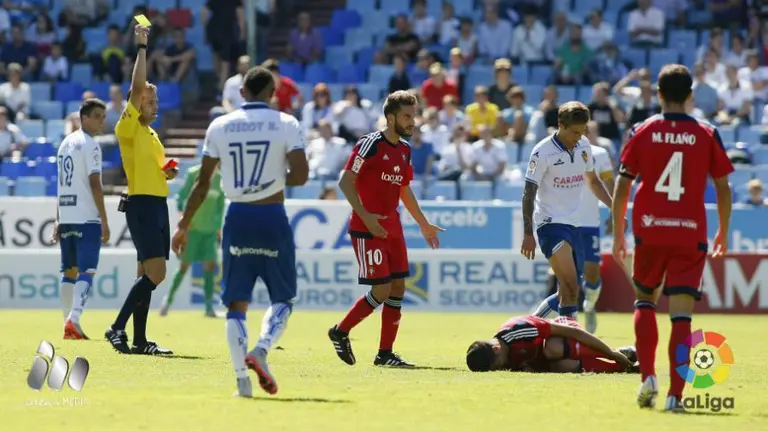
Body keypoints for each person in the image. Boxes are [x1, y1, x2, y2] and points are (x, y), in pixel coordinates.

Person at [171, 66, 309, 397]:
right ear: (272, 94)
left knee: (236, 303)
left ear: (242, 92)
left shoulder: (220, 126)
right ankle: (261, 348)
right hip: (272, 215)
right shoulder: (286, 123)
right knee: (283, 298)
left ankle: (242, 383)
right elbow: (302, 175)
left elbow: (202, 185)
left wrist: (184, 224)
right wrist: (272, 178)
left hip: (237, 217)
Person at [612, 64, 734, 412]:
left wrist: (619, 233)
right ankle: (674, 397)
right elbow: (723, 187)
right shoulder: (707, 133)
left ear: (659, 94)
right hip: (689, 232)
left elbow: (623, 185)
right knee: (682, 316)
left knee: (644, 301)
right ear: (690, 95)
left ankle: (648, 377)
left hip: (650, 228)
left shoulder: (642, 130)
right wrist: (723, 230)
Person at [327, 91, 444, 368]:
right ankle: (340, 331)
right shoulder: (369, 144)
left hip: (393, 227)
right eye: (406, 116)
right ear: (390, 118)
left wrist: (423, 223)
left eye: (414, 115)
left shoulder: (405, 149)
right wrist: (366, 217)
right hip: (368, 227)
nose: (412, 121)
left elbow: (404, 189)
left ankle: (385, 354)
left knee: (398, 287)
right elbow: (345, 181)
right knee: (381, 289)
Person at [105, 25, 177, 356]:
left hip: (158, 204)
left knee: (145, 274)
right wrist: (142, 47)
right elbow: (136, 88)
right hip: (142, 205)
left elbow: (155, 170)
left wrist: (167, 173)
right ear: (137, 103)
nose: (155, 105)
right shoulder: (128, 127)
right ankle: (116, 328)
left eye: (156, 100)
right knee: (157, 274)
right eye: (150, 100)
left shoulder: (152, 134)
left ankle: (139, 340)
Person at [521, 102, 614, 323]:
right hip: (550, 224)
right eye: (574, 132)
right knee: (571, 285)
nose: (578, 137)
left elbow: (593, 181)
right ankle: (572, 337)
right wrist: (528, 233)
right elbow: (528, 193)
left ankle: (530, 326)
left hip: (575, 224)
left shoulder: (584, 145)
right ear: (561, 125)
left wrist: (615, 209)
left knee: (568, 291)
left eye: (582, 131)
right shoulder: (542, 152)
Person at [533, 140, 615, 335]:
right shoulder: (554, 151)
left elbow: (606, 183)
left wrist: (614, 212)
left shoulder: (598, 153)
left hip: (590, 223)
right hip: (566, 223)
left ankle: (590, 306)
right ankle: (538, 323)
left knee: (592, 275)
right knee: (569, 285)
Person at [52, 98, 110, 340]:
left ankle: (67, 323)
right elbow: (95, 184)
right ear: (83, 118)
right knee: (87, 270)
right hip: (86, 217)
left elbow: (60, 184)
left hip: (67, 214)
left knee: (70, 271)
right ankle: (73, 319)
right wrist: (104, 220)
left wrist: (57, 218)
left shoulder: (65, 143)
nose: (101, 122)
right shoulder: (91, 145)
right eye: (97, 117)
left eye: (103, 117)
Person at [160, 164, 225, 318]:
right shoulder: (193, 173)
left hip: (209, 231)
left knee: (210, 266)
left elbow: (220, 204)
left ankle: (209, 307)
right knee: (184, 266)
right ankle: (167, 302)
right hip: (192, 230)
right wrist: (184, 221)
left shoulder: (219, 178)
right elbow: (181, 198)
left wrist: (217, 227)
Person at [465, 315, 635, 373]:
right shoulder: (499, 353)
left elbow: (575, 333)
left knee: (552, 349)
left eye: (497, 365)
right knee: (563, 366)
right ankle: (626, 368)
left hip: (565, 331)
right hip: (548, 358)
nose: (500, 369)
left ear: (496, 349)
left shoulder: (521, 330)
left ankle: (619, 353)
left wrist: (611, 353)